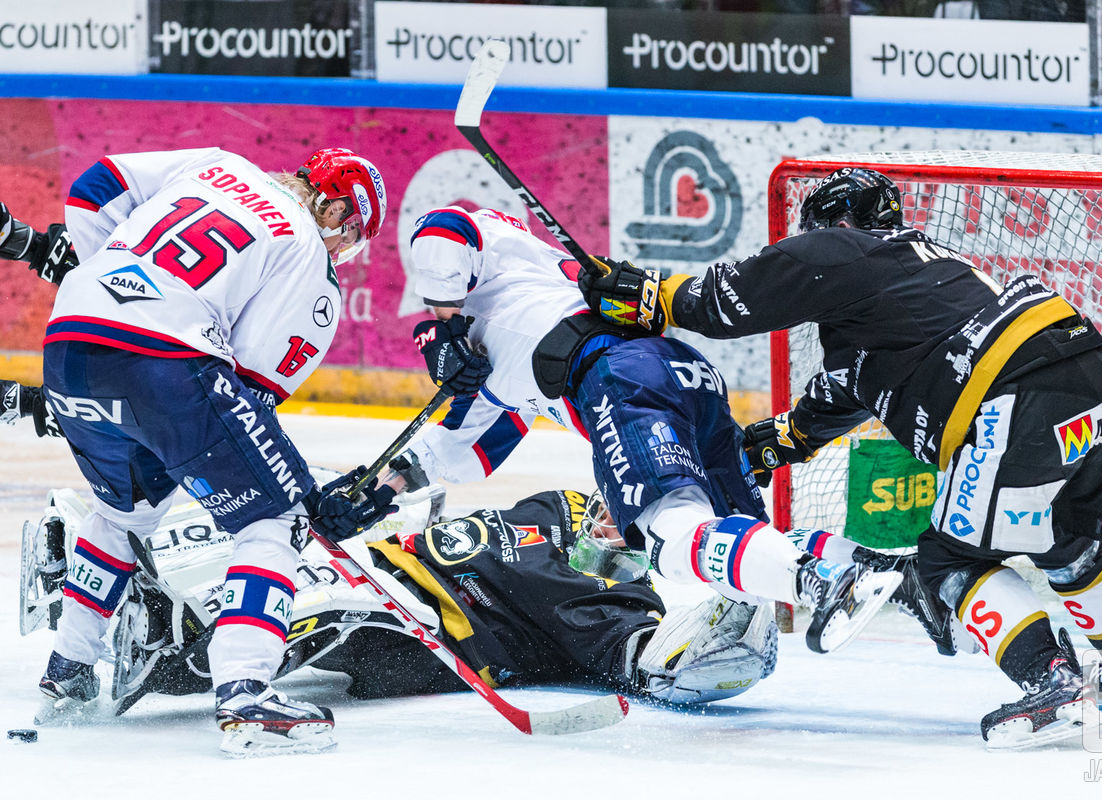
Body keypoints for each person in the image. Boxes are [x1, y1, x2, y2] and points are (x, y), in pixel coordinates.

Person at [577, 167, 1102, 748]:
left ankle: (1054, 686)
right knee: (1072, 547)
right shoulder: (916, 286)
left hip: (1017, 391)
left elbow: (725, 301)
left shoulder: (847, 249)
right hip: (1095, 384)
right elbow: (838, 398)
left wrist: (650, 294)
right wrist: (765, 446)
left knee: (950, 562)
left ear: (835, 224)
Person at [337, 204, 945, 658]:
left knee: (672, 539)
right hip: (683, 372)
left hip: (620, 378)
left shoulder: (486, 287)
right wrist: (371, 492)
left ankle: (829, 579)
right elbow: (458, 450)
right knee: (742, 534)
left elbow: (445, 227)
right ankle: (891, 575)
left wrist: (442, 325)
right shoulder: (500, 356)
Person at [2, 146, 389, 755]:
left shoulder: (216, 165)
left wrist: (111, 279)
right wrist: (304, 492)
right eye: (350, 236)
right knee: (275, 515)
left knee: (123, 514)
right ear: (336, 206)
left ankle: (68, 673)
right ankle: (245, 694)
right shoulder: (310, 257)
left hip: (69, 340)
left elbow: (93, 186)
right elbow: (251, 394)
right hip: (164, 365)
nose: (343, 250)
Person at [18, 483, 779, 713]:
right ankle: (106, 572)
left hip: (413, 630)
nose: (623, 509)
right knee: (259, 537)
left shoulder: (624, 604)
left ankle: (164, 644)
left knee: (320, 619)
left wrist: (736, 629)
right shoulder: (563, 501)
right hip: (385, 557)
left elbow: (654, 667)